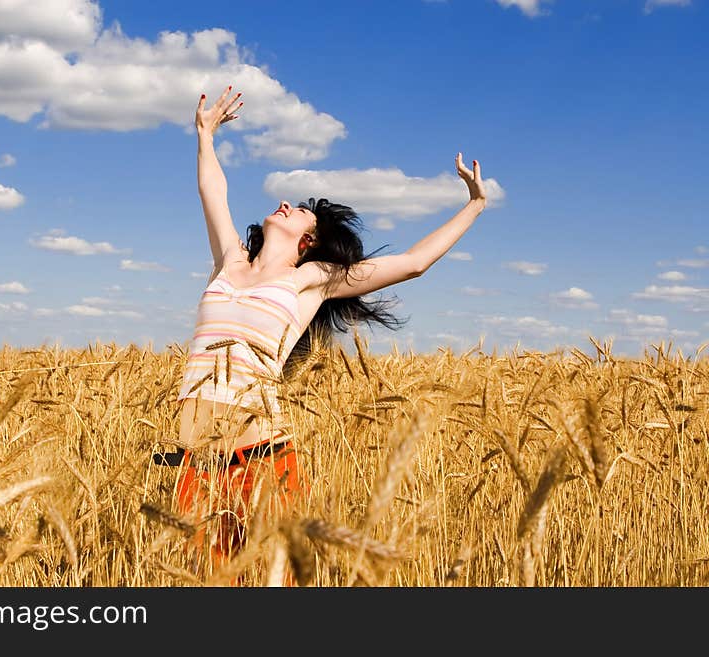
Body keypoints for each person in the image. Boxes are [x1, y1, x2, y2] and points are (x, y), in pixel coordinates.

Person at [166, 84, 487, 577]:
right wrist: (205, 135)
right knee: (202, 581)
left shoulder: (310, 280)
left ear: (308, 240)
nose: (283, 203)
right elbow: (213, 192)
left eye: (296, 210)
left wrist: (475, 205)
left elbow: (413, 263)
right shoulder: (229, 260)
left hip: (263, 456)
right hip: (194, 460)